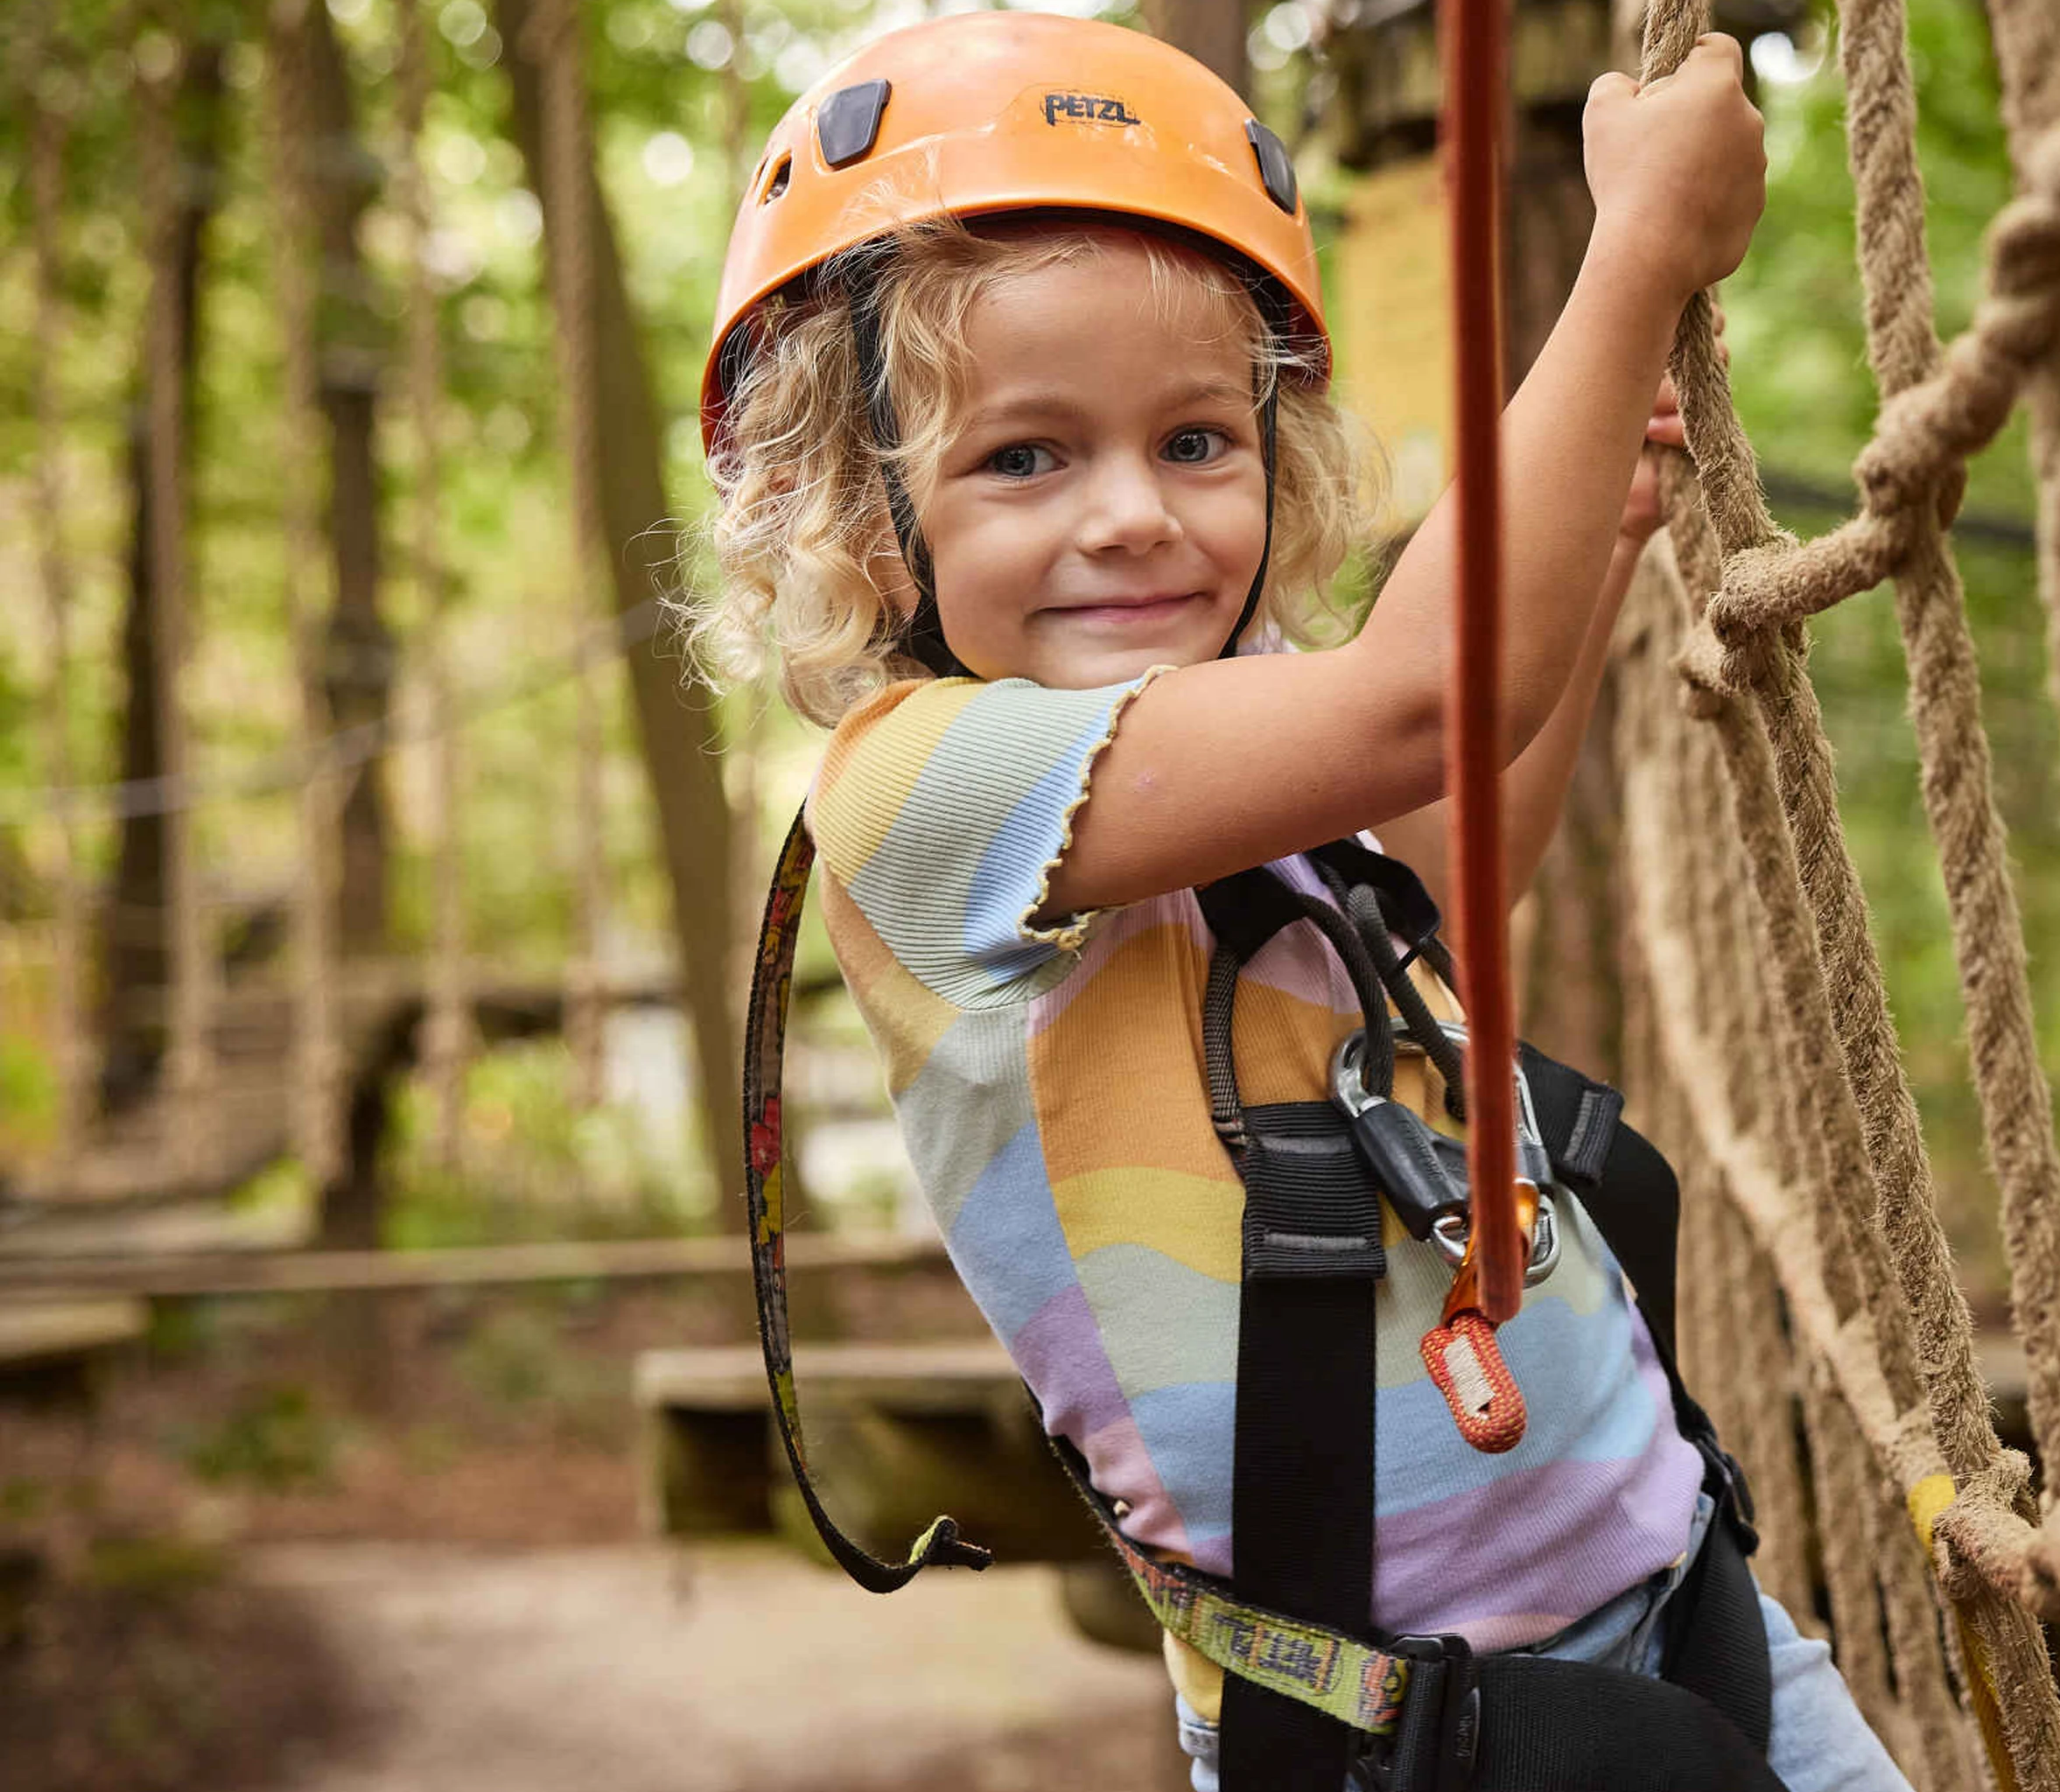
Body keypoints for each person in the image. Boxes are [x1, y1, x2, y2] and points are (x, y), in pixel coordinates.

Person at [690, 14, 1909, 1791]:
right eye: (1026, 458)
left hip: (1685, 1601)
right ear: (852, 517)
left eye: (1197, 440)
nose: (1133, 518)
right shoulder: (923, 781)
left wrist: (1579, 554)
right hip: (1391, 1736)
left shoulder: (1240, 707)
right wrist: (1637, 253)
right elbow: (1428, 697)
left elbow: (1446, 850)